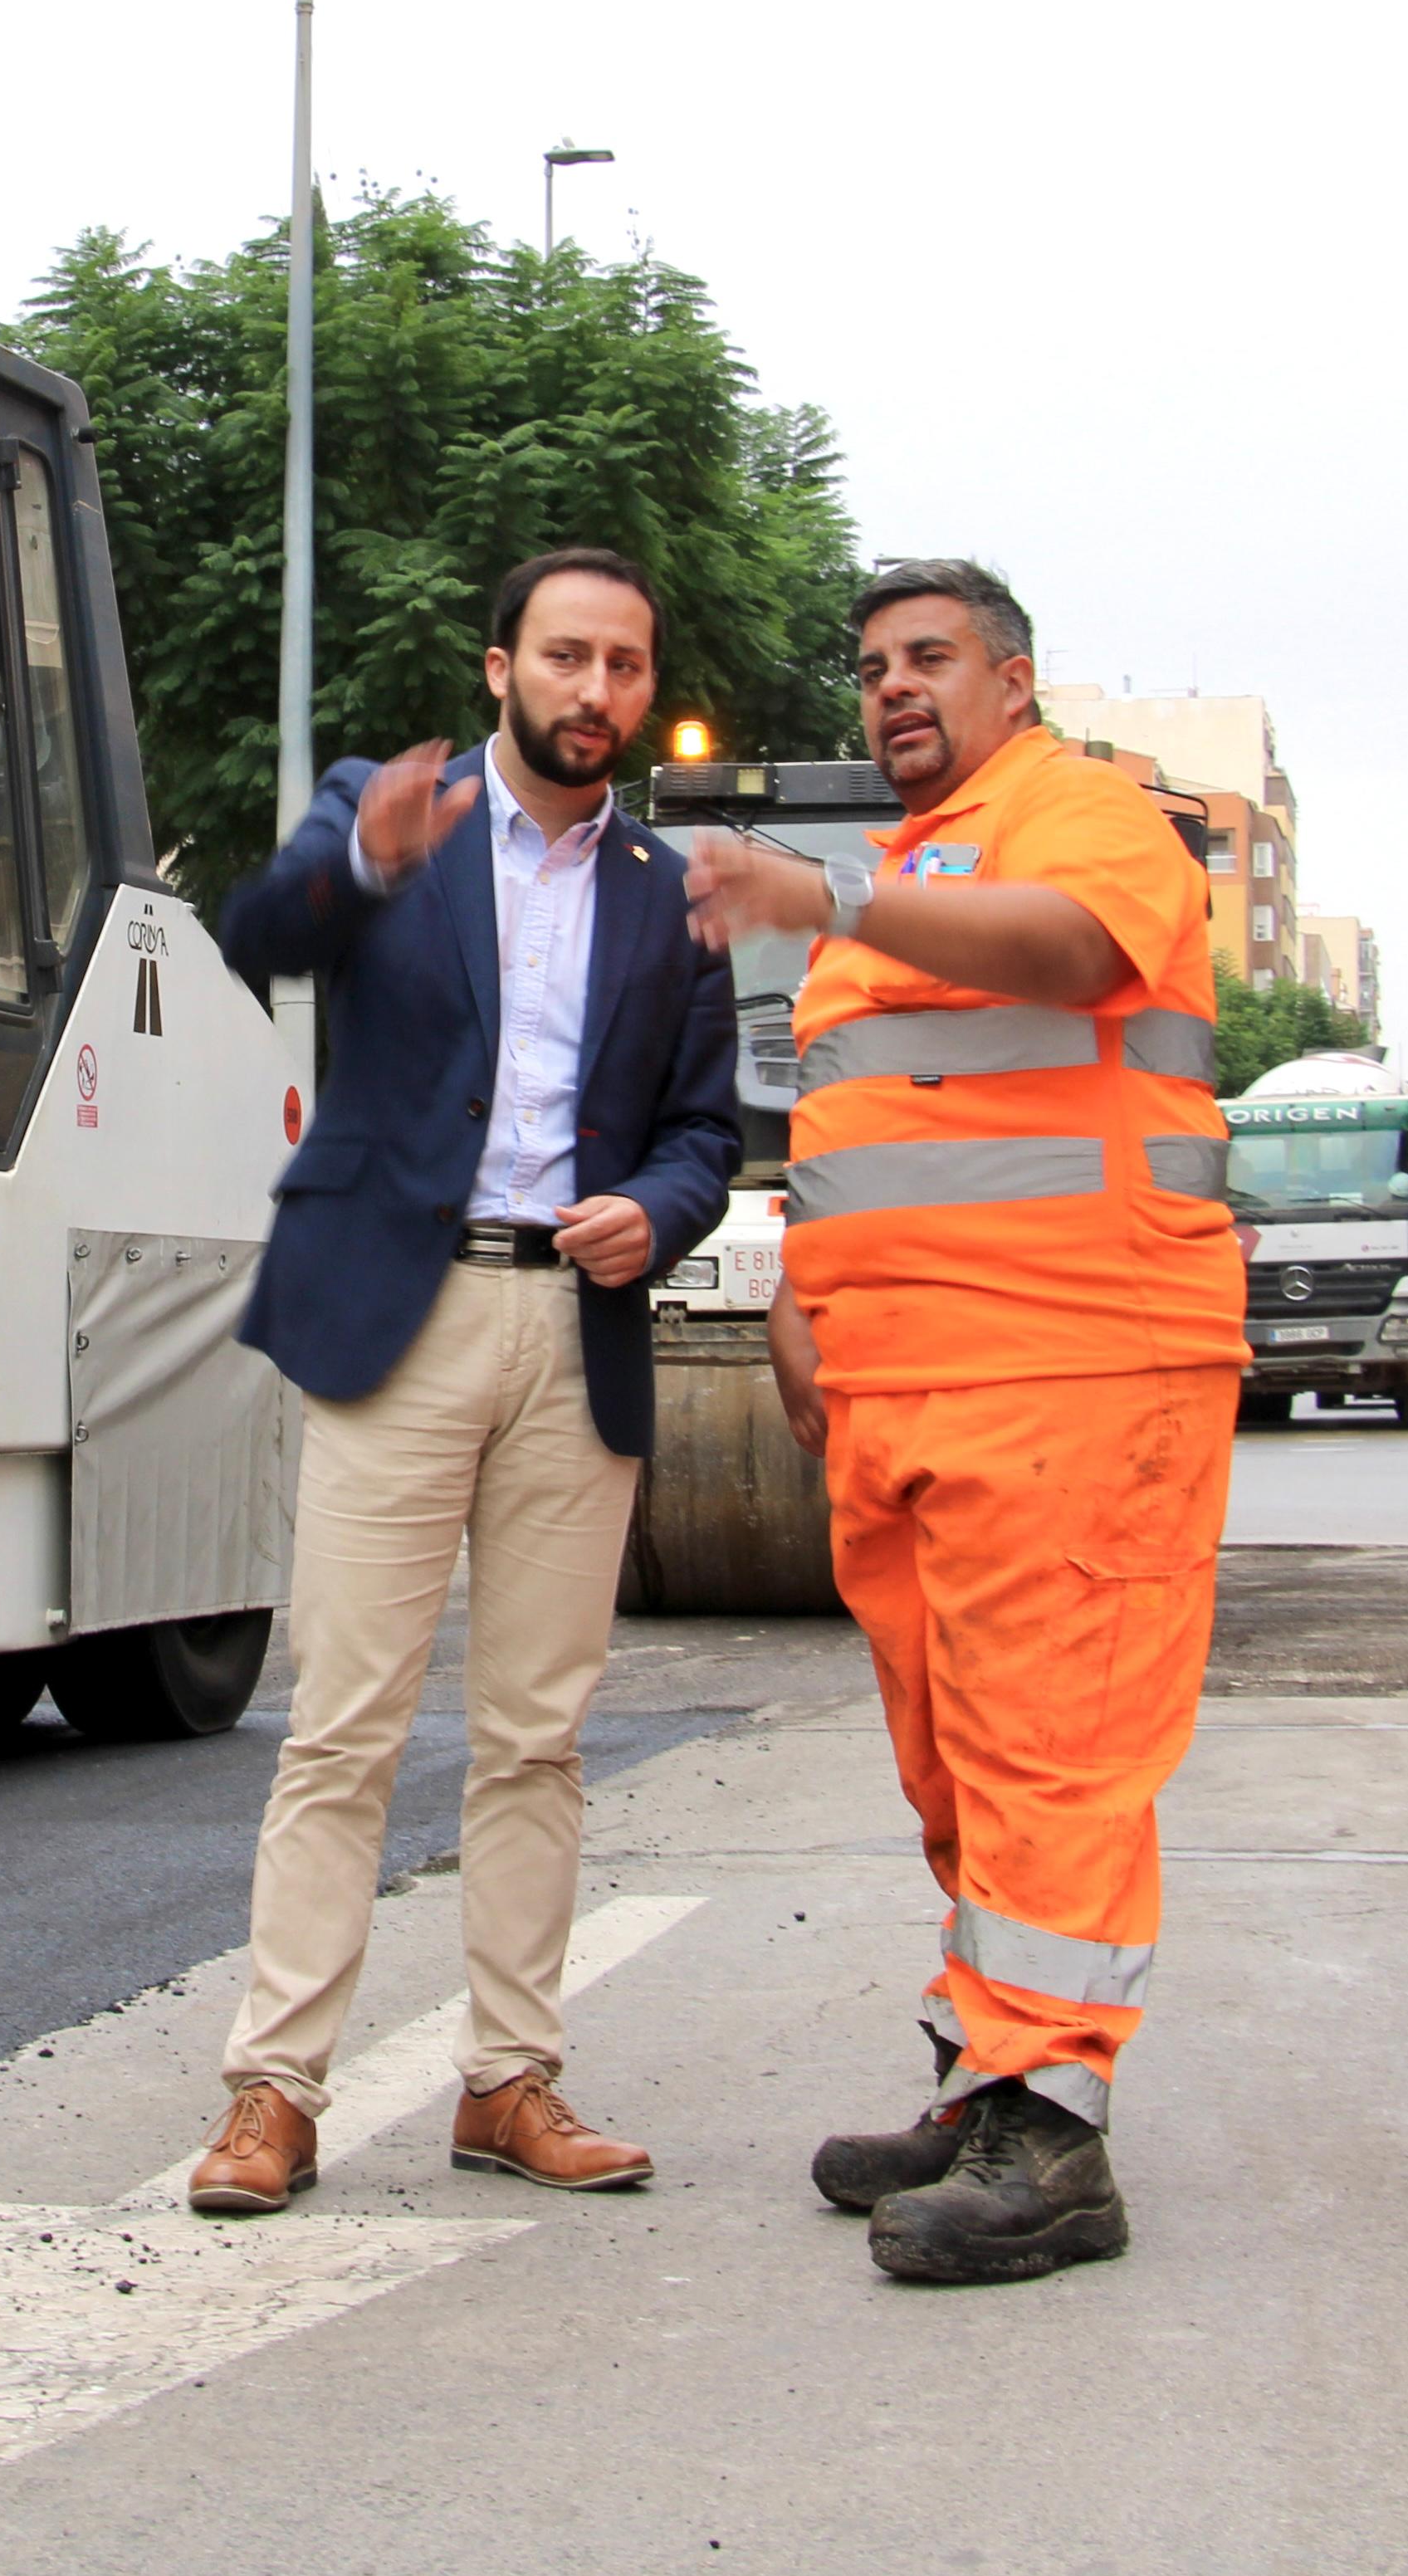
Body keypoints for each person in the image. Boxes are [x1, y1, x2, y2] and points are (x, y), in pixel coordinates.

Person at [682, 557, 1241, 2285]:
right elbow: (858, 1124)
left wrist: (820, 892)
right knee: (954, 1756)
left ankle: (1050, 2142)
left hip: (1073, 1362)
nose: (890, 688)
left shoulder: (1079, 817)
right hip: (906, 1380)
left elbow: (1070, 954)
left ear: (1011, 678)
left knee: (1049, 1749)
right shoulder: (906, 871)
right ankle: (981, 2066)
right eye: (868, 667)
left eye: (926, 658)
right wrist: (796, 1293)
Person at [188, 545, 741, 2217]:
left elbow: (708, 1127)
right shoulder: (390, 810)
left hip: (571, 1326)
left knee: (534, 1736)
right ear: (496, 665)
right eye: (564, 657)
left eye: (623, 666)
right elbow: (250, 938)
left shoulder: (666, 887)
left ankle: (509, 2079)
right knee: (341, 1727)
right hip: (401, 1314)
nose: (595, 691)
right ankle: (272, 2093)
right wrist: (356, 860)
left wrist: (652, 1209)